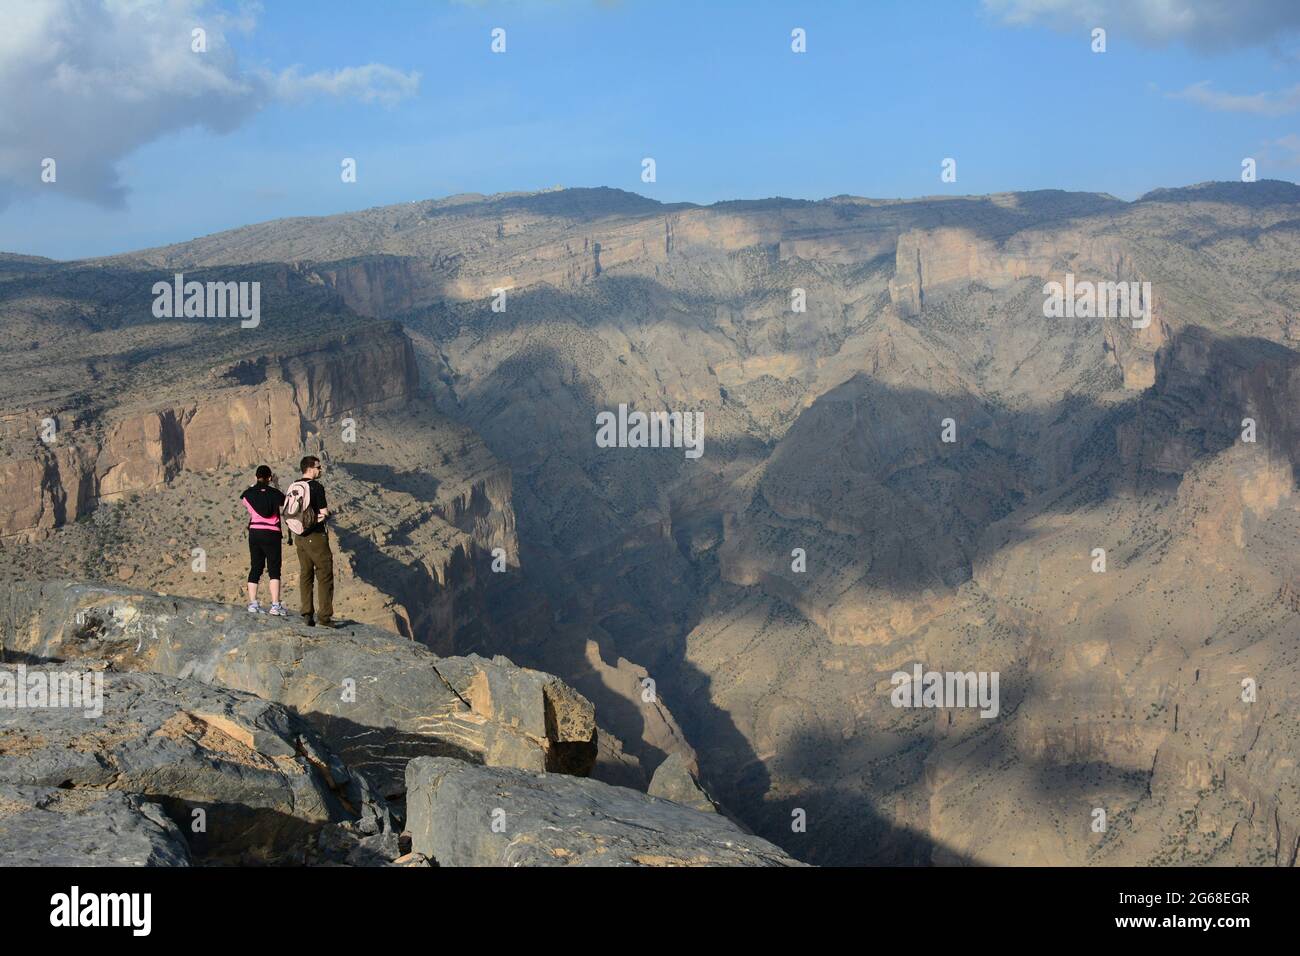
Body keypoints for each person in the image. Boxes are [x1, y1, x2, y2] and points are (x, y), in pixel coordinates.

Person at [293, 455, 335, 627]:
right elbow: (324, 513)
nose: (320, 470)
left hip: (299, 536)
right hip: (315, 536)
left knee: (306, 574)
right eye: (318, 467)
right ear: (310, 468)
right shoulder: (316, 487)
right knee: (324, 574)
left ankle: (306, 614)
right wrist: (329, 514)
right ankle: (324, 618)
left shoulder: (295, 485)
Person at [241, 465, 287, 616]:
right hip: (272, 533)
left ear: (256, 477)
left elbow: (246, 501)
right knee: (274, 569)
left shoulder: (248, 494)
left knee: (256, 567)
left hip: (255, 532)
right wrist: (276, 485)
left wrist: (255, 486)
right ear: (270, 478)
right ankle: (275, 605)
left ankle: (253, 603)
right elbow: (285, 502)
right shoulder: (275, 493)